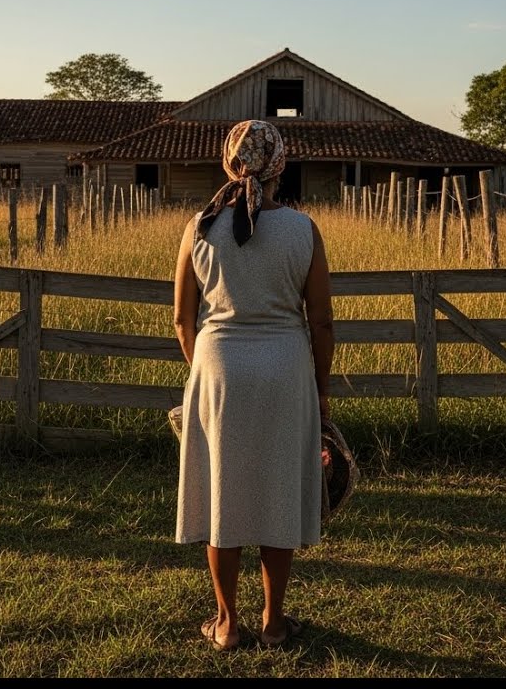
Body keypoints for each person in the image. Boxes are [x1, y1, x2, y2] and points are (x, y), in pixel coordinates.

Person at [173, 119, 334, 651]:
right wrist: (321, 391)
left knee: (223, 493)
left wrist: (205, 374)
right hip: (285, 370)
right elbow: (321, 322)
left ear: (228, 162)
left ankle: (225, 624)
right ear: (280, 165)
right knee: (278, 493)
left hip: (218, 367)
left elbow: (182, 319)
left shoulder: (199, 228)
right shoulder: (303, 230)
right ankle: (273, 622)